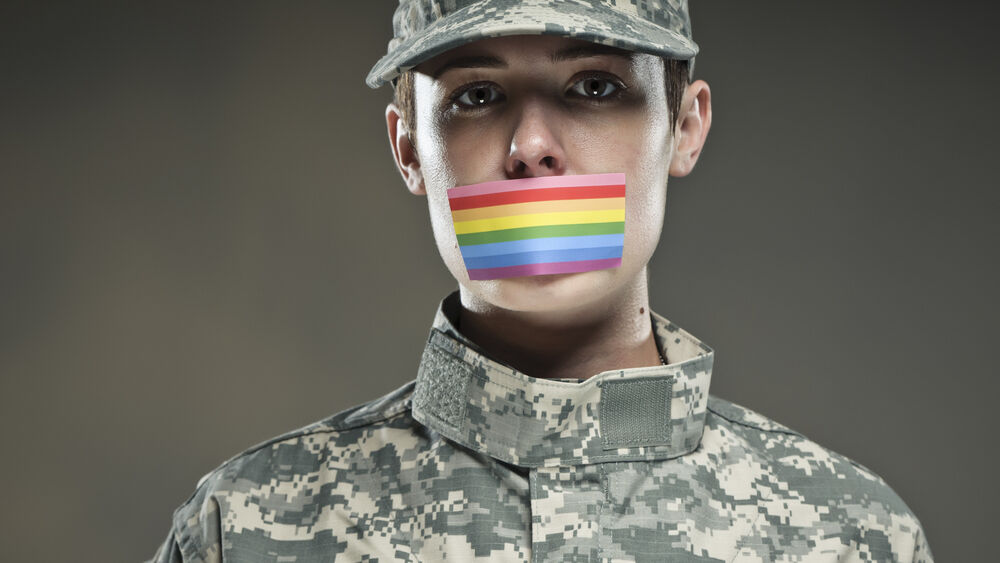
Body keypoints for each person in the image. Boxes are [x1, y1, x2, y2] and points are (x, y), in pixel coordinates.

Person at [150, 1, 933, 561]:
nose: (530, 147)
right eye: (477, 96)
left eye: (594, 86)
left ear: (684, 128)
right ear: (409, 150)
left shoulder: (850, 534)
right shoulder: (243, 527)